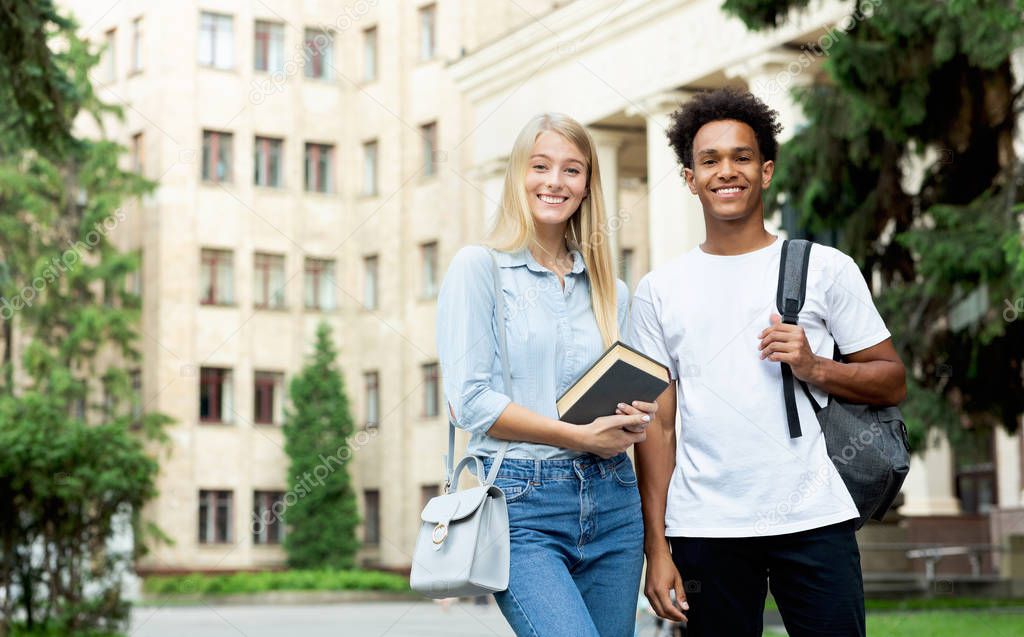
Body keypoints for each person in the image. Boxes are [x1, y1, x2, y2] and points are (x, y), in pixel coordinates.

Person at [627, 88, 906, 637]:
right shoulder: (658, 290)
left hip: (816, 519)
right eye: (709, 160)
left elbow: (891, 380)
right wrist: (656, 548)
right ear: (690, 178)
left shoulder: (826, 268)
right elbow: (657, 427)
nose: (726, 171)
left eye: (742, 157)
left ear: (767, 170)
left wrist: (816, 366)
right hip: (706, 527)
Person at [437, 112, 656, 636]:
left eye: (572, 170)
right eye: (541, 166)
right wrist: (576, 435)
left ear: (587, 186)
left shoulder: (611, 292)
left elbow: (614, 400)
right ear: (518, 174)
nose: (555, 181)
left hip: (614, 502)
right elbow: (471, 402)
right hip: (521, 504)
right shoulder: (479, 268)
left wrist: (631, 421)